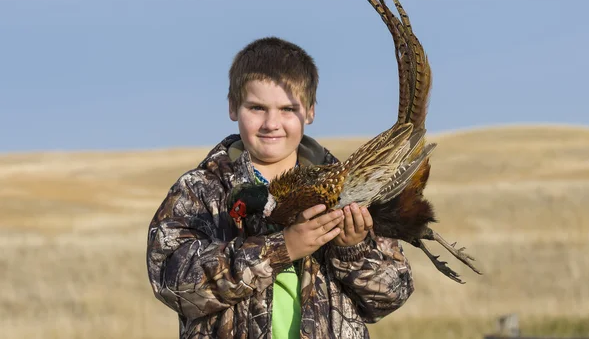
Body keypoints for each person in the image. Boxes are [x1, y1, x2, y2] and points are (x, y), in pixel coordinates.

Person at [146, 37, 414, 339]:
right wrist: (281, 248)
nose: (272, 123)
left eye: (288, 109)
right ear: (233, 107)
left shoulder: (347, 190)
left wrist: (352, 249)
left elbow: (391, 295)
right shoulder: (200, 191)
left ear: (310, 112)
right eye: (257, 108)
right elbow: (174, 284)